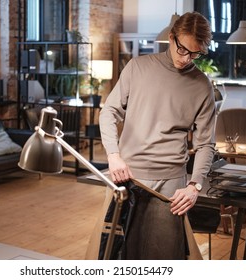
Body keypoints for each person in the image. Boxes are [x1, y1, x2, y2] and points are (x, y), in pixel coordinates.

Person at [98, 12, 216, 259]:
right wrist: (113, 155)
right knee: (119, 255)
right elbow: (109, 112)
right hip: (129, 177)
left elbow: (206, 143)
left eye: (195, 54)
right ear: (171, 38)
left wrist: (194, 186)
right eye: (183, 49)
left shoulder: (202, 85)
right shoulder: (137, 67)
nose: (186, 59)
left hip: (171, 185)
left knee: (165, 257)